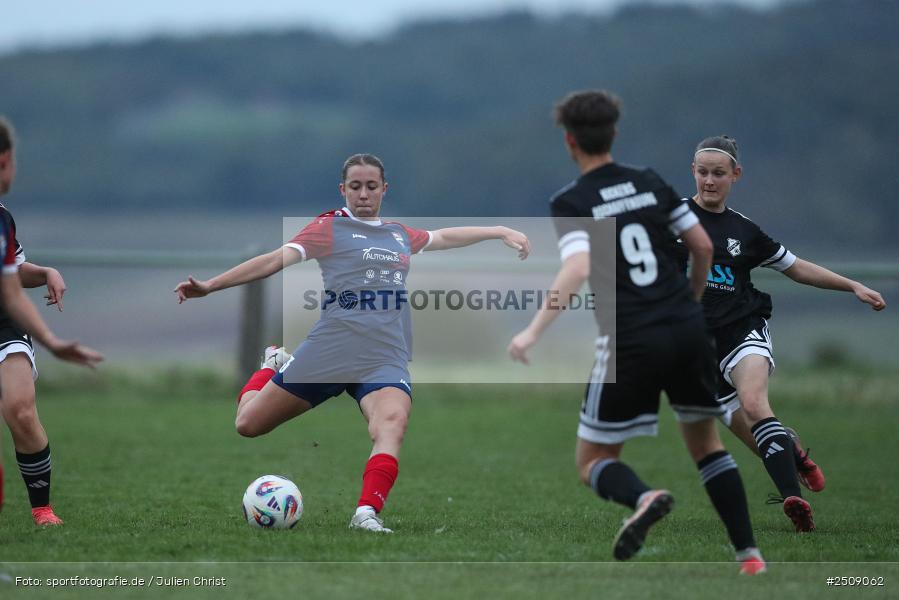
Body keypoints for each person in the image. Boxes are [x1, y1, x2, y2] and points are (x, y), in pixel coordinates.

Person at [175, 153, 530, 533]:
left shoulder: (398, 234)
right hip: (331, 350)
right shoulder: (327, 228)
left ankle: (365, 514)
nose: (363, 194)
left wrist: (499, 230)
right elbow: (273, 261)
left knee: (392, 423)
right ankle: (271, 366)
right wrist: (211, 286)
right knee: (248, 424)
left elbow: (442, 237)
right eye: (356, 186)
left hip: (384, 357)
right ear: (343, 190)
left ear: (384, 189)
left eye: (371, 186)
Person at [507, 91, 765, 574]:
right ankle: (750, 557)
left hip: (630, 337)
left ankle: (644, 497)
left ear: (569, 141)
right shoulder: (649, 181)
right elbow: (703, 247)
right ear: (614, 135)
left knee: (592, 460)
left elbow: (579, 265)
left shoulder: (572, 200)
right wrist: (688, 301)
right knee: (707, 445)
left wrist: (533, 330)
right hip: (688, 330)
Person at [679, 135, 887, 532]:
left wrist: (853, 286)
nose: (709, 181)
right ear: (693, 172)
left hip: (742, 331)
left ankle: (795, 503)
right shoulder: (671, 221)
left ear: (735, 175)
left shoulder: (744, 231)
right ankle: (792, 453)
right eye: (702, 172)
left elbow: (796, 267)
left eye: (718, 174)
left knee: (756, 405)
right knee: (761, 442)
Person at [0, 117, 104, 524]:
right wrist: (53, 342)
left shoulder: (2, 219)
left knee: (21, 408)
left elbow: (10, 281)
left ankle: (42, 510)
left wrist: (43, 272)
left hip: (4, 325)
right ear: (5, 160)